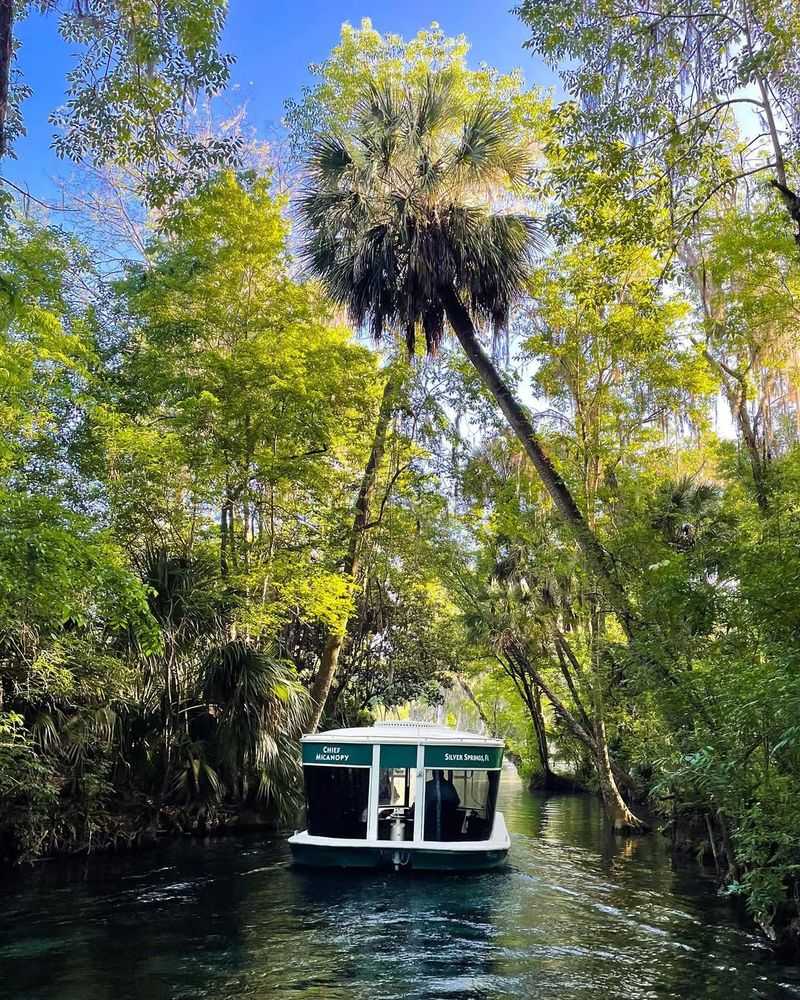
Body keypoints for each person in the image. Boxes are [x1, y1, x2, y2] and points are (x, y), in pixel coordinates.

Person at [424, 770, 461, 841]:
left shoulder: (427, 785)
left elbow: (421, 802)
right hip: (444, 820)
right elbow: (456, 801)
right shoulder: (449, 786)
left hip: (437, 819)